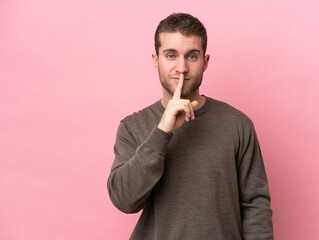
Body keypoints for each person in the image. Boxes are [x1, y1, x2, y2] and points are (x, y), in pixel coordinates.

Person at [107, 13, 274, 240]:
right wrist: (162, 131)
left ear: (205, 62)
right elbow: (124, 200)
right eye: (171, 55)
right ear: (156, 60)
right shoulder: (132, 127)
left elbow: (256, 205)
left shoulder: (238, 124)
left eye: (192, 56)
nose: (182, 67)